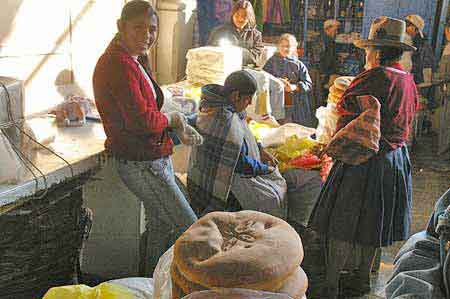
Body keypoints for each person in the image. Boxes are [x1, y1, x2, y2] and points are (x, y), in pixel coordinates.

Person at [308, 17, 419, 298]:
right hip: (395, 159)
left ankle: (332, 283)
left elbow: (345, 112)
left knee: (342, 222)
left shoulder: (374, 77)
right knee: (375, 221)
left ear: (378, 52)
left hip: (364, 158)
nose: (366, 55)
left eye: (369, 49)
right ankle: (362, 279)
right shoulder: (408, 81)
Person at [92, 0, 200, 275]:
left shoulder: (134, 59)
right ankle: (195, 285)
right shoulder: (117, 63)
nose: (147, 36)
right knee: (191, 230)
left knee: (161, 228)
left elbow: (149, 107)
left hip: (149, 156)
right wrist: (173, 120)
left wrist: (173, 120)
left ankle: (153, 285)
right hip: (141, 161)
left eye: (152, 29)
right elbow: (141, 120)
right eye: (138, 28)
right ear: (121, 27)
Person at [187, 71, 322, 224]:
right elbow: (240, 164)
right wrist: (265, 169)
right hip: (219, 183)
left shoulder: (215, 102)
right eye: (248, 99)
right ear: (236, 96)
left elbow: (244, 134)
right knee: (271, 199)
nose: (250, 103)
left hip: (203, 175)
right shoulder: (225, 119)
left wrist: (259, 149)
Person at [263, 34, 314, 127]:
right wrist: (277, 82)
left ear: (294, 48)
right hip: (275, 103)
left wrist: (294, 87)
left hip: (295, 105)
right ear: (278, 47)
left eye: (289, 46)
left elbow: (308, 84)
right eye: (283, 46)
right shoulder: (271, 62)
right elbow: (263, 79)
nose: (286, 49)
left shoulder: (299, 65)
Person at [207, 0, 263, 66]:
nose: (240, 19)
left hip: (245, 71)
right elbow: (210, 52)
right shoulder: (219, 31)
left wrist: (237, 51)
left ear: (249, 17)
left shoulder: (256, 35)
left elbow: (257, 57)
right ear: (232, 14)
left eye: (244, 16)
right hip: (223, 68)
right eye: (237, 15)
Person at [405, 14, 436, 84]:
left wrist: (425, 83)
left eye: (408, 25)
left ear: (416, 28)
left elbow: (427, 65)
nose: (405, 28)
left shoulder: (422, 44)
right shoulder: (407, 40)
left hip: (417, 81)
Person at [436, 19, 450, 159]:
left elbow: (444, 74)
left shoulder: (448, 48)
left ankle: (444, 154)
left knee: (447, 123)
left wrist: (440, 84)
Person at [319, 19, 341, 105]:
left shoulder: (329, 40)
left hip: (328, 72)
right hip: (326, 72)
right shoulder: (323, 41)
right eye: (335, 30)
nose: (336, 32)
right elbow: (321, 59)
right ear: (327, 29)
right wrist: (327, 74)